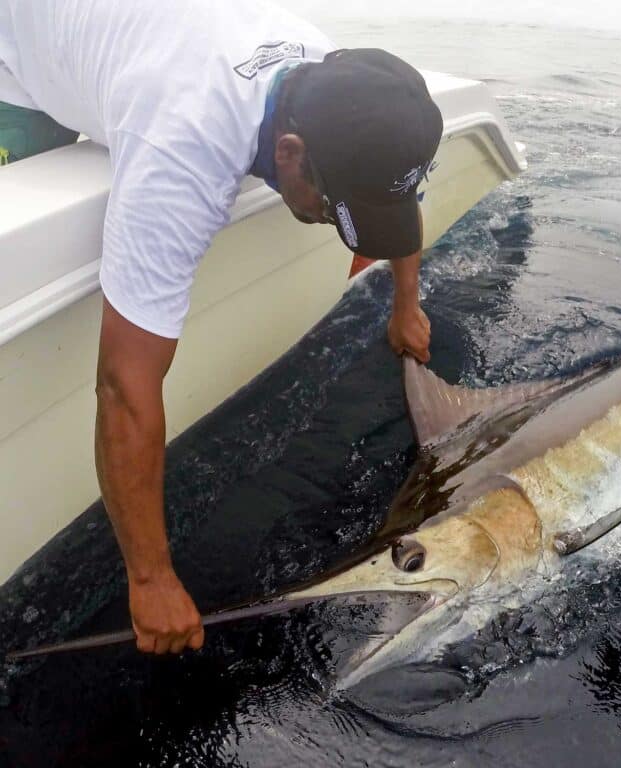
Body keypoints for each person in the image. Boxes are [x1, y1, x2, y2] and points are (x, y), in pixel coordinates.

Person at [0, 1, 442, 655]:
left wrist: (405, 303)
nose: (329, 225)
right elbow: (123, 386)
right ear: (288, 154)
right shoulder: (179, 153)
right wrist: (149, 578)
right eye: (333, 214)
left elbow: (393, 199)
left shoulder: (330, 81)